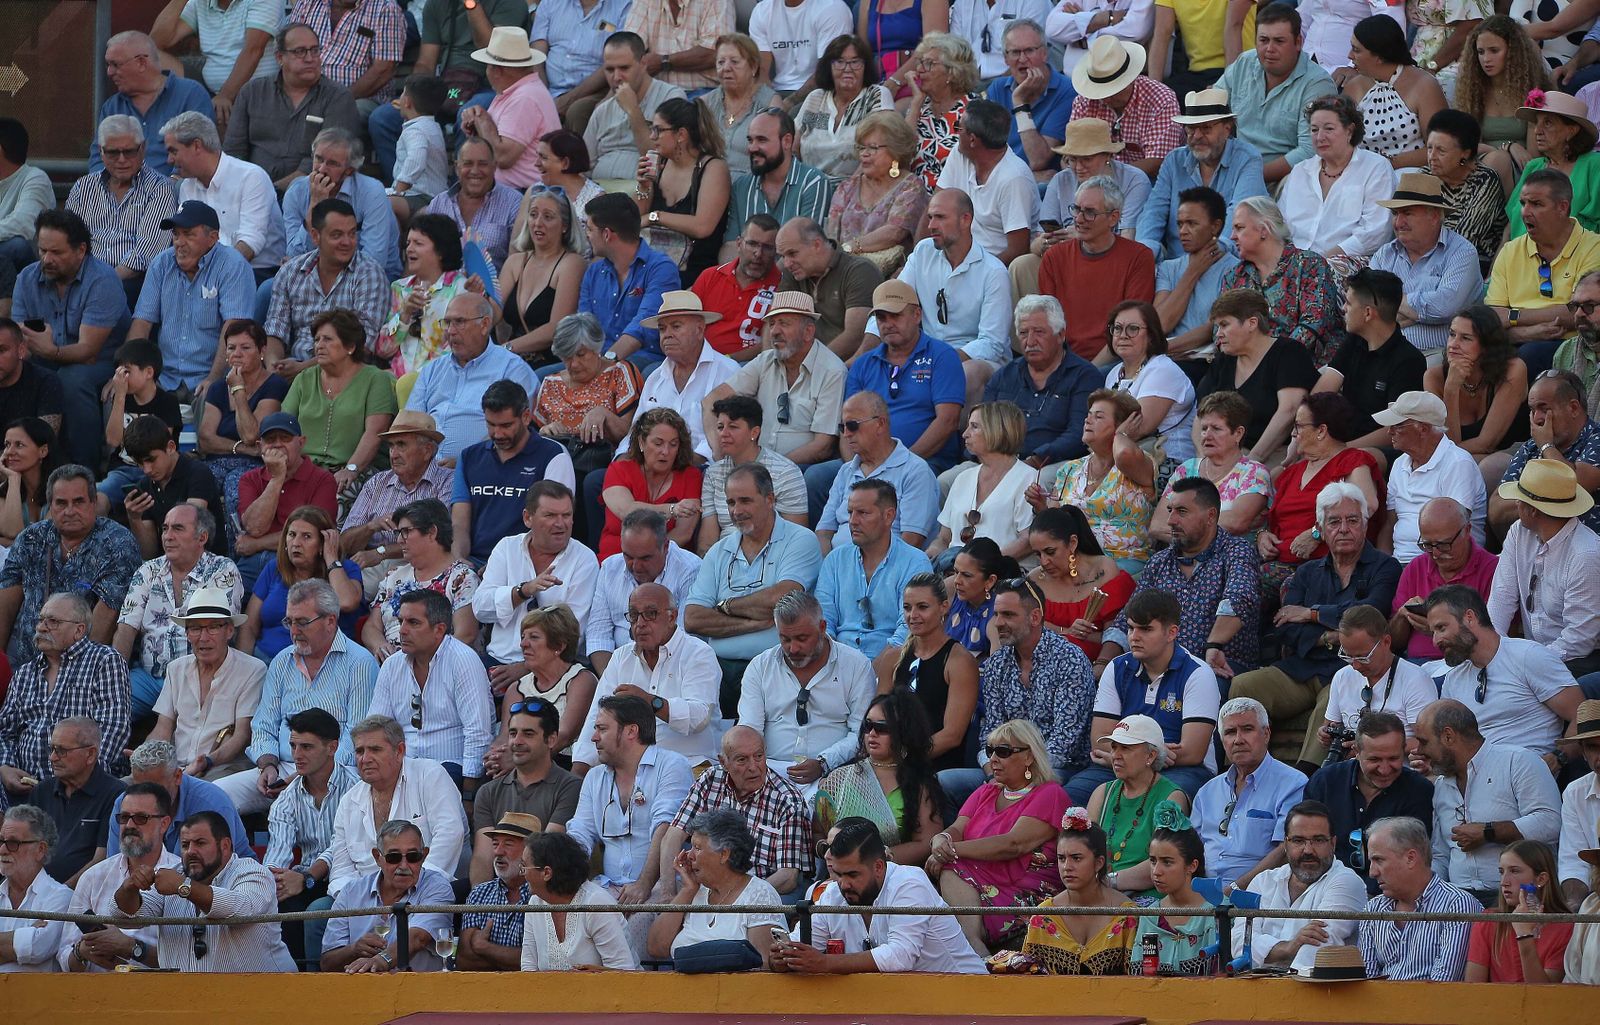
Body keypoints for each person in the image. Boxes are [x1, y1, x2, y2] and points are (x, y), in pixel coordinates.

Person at [926, 719, 1071, 954]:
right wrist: (941, 838)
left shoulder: (1050, 793)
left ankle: (973, 947)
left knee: (951, 865)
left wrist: (948, 851)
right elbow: (957, 828)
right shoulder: (986, 791)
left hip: (1025, 888)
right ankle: (972, 944)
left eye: (1003, 752)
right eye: (990, 750)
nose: (993, 759)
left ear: (1029, 757)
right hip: (981, 879)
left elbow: (1013, 844)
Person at [774, 815, 986, 974]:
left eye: (852, 874)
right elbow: (802, 944)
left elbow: (900, 956)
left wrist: (824, 963)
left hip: (964, 1000)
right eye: (838, 874)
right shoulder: (833, 893)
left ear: (878, 867)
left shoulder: (910, 883)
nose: (843, 883)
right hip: (900, 1005)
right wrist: (784, 957)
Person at [1099, 476, 1262, 678]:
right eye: (1170, 511)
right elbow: (1129, 616)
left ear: (1211, 516)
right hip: (1159, 668)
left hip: (1219, 666)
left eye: (1182, 512)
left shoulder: (1237, 552)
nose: (1171, 521)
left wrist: (1213, 645)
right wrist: (1103, 664)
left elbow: (1238, 600)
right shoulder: (1160, 562)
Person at [9, 209, 132, 470]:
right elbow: (20, 341)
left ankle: (83, 467)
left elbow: (88, 351)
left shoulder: (102, 280)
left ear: (81, 250)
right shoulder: (26, 279)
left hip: (102, 362)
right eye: (42, 250)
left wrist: (50, 351)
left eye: (57, 252)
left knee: (71, 379)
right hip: (47, 357)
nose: (47, 259)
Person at [1413, 700, 1561, 905]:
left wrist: (1489, 832)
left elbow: (1550, 822)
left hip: (1518, 900)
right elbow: (1441, 853)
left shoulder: (1518, 761)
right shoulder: (1441, 784)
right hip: (1457, 901)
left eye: (1424, 741)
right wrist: (1423, 895)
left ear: (1448, 736)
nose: (1418, 751)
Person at [683, 462, 823, 679]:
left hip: (778, 668)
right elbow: (693, 618)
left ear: (770, 500)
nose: (736, 511)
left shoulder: (800, 539)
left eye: (745, 501)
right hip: (718, 670)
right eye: (731, 502)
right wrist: (751, 623)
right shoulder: (719, 551)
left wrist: (725, 607)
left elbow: (784, 598)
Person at [1080, 590, 1221, 802]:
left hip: (1182, 770)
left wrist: (1124, 756)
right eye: (1130, 628)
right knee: (1069, 797)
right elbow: (1100, 739)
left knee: (1164, 804)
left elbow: (1192, 752)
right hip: (1125, 764)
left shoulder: (1198, 673)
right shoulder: (1116, 668)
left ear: (1171, 633)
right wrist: (1149, 756)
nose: (1134, 637)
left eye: (1145, 629)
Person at [874, 190, 1012, 407]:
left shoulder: (993, 272)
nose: (931, 226)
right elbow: (894, 302)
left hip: (976, 360)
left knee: (967, 373)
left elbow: (992, 344)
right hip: (924, 355)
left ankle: (960, 441)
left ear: (965, 220)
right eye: (930, 217)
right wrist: (865, 353)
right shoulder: (923, 252)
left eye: (940, 217)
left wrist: (936, 360)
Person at [114, 809, 295, 972]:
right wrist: (129, 888)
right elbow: (124, 918)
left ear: (225, 846)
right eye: (185, 845)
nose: (190, 852)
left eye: (200, 843)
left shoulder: (253, 872)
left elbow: (241, 910)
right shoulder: (173, 875)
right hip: (186, 998)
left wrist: (184, 888)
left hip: (265, 995)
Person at [570, 582, 720, 772]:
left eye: (650, 614)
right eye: (634, 615)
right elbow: (597, 717)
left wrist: (648, 702)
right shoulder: (621, 657)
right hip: (631, 767)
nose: (640, 623)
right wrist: (579, 771)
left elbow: (698, 718)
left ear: (672, 616)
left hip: (690, 764)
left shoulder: (698, 653)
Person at [1425, 583, 1584, 759]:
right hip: (1476, 775)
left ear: (1469, 618)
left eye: (1441, 628)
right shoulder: (1453, 679)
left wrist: (1558, 759)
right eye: (1433, 632)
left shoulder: (1529, 656)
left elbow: (1582, 716)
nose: (1435, 641)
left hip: (1527, 771)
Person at [0, 465, 140, 664]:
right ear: (50, 506)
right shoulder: (31, 538)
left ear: (94, 502)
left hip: (84, 669)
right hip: (25, 663)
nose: (70, 511)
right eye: (61, 503)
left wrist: (71, 676)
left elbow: (104, 624)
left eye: (79, 502)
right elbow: (5, 604)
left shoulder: (117, 543)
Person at [736, 591, 876, 790]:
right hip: (768, 775)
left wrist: (824, 763)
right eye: (785, 639)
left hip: (835, 776)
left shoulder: (856, 666)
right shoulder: (760, 666)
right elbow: (750, 730)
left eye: (802, 638)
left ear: (822, 627)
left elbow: (861, 733)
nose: (793, 648)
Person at [567, 695, 695, 910]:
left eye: (602, 729)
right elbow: (581, 833)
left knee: (633, 928)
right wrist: (564, 875)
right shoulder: (594, 777)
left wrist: (644, 884)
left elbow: (665, 829)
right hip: (607, 888)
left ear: (630, 731)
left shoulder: (672, 765)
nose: (593, 737)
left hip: (660, 887)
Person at [113, 499, 241, 713]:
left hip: (199, 678)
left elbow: (218, 633)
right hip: (149, 679)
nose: (168, 536)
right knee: (107, 709)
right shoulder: (148, 571)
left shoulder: (222, 570)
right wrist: (113, 681)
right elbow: (126, 629)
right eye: (165, 529)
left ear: (202, 537)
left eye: (178, 528)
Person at [317, 716, 466, 899]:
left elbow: (450, 835)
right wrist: (360, 903)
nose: (365, 759)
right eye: (359, 751)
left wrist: (410, 888)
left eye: (375, 750)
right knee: (318, 912)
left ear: (400, 751)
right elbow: (341, 869)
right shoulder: (349, 801)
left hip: (428, 891)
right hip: (366, 899)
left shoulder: (430, 775)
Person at [970, 578, 1097, 791]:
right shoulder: (996, 664)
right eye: (996, 614)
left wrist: (1016, 776)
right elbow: (990, 734)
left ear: (1035, 617)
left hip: (1060, 769)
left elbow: (1064, 742)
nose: (998, 623)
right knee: (945, 782)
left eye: (1008, 615)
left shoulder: (1069, 659)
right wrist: (994, 773)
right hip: (1003, 769)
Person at [0, 592, 129, 800]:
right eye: (41, 620)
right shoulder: (25, 673)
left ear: (79, 630)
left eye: (53, 622)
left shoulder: (104, 661)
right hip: (23, 787)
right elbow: (5, 731)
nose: (41, 627)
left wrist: (79, 776)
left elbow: (113, 728)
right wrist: (5, 766)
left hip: (80, 788)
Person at [658, 726, 811, 897]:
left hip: (760, 894)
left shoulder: (788, 802)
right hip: (706, 886)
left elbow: (787, 878)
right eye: (742, 760)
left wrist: (735, 900)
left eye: (759, 756)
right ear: (723, 762)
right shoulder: (710, 780)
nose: (753, 767)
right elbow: (673, 836)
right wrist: (668, 896)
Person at [705, 288, 846, 468]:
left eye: (784, 324)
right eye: (771, 324)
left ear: (808, 332)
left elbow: (822, 446)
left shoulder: (832, 371)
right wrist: (719, 452)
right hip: (755, 464)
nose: (774, 332)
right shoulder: (765, 360)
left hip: (799, 467)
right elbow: (712, 400)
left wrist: (772, 467)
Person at [367, 590, 494, 787]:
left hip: (451, 771)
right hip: (403, 772)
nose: (402, 630)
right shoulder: (392, 666)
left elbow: (478, 733)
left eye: (413, 623)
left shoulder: (463, 660)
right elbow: (376, 727)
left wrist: (469, 795)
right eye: (401, 622)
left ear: (439, 629)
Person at [260, 707, 357, 966]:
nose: (296, 755)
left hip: (350, 876)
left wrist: (306, 878)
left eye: (306, 747)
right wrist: (277, 880)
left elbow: (346, 845)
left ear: (332, 747)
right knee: (280, 905)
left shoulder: (356, 787)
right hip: (306, 880)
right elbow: (277, 855)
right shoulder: (286, 799)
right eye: (293, 746)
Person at [473, 482, 600, 677]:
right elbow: (481, 609)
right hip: (497, 660)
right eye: (550, 515)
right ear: (527, 518)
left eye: (566, 515)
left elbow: (574, 635)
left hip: (554, 669)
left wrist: (526, 668)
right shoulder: (507, 548)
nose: (560, 523)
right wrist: (523, 591)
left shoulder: (585, 559)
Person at [1303, 710, 1435, 896]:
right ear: (1356, 752)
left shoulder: (1419, 791)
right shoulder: (1325, 782)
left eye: (1393, 759)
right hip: (1326, 892)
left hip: (1389, 897)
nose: (1384, 769)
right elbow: (1307, 845)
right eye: (1374, 759)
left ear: (1404, 749)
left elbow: (1413, 861)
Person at [1485, 169, 1600, 379]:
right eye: (1523, 203)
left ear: (1562, 208)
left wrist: (1513, 316)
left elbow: (1580, 312)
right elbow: (1492, 318)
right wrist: (1528, 332)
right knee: (1460, 354)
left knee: (1527, 357)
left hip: (1574, 344)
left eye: (1536, 204)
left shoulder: (1594, 248)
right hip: (1518, 340)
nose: (1525, 212)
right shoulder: (1510, 251)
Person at [141, 583, 263, 780]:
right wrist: (145, 759)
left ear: (230, 631)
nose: (203, 638)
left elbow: (242, 735)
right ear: (187, 634)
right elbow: (162, 728)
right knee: (123, 792)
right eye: (195, 628)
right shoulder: (176, 669)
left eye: (213, 627)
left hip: (221, 768)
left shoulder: (252, 670)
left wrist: (207, 761)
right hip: (175, 769)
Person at [1486, 458, 1600, 669]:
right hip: (1534, 657)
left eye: (1520, 500)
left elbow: (1579, 641)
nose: (1516, 504)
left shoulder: (1586, 553)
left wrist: (1523, 664)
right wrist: (1492, 653)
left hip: (1579, 662)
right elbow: (1501, 600)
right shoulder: (1519, 531)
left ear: (1534, 511)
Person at [813, 689, 944, 867]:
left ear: (904, 732)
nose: (872, 733)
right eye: (868, 726)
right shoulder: (840, 778)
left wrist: (873, 860)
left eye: (882, 728)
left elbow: (926, 843)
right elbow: (818, 832)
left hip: (892, 876)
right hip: (838, 875)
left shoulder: (919, 783)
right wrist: (828, 850)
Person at [1236, 799, 1369, 974]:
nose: (1308, 850)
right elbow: (1238, 944)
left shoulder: (1347, 882)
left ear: (1333, 844)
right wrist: (1289, 948)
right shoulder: (1263, 881)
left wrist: (1265, 952)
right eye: (1298, 840)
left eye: (1318, 840)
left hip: (1314, 995)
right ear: (1285, 844)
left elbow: (1319, 951)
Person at [58, 781, 177, 973]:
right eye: (124, 817)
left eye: (140, 818)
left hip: (159, 996)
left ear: (164, 824)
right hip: (95, 995)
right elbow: (64, 957)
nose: (129, 825)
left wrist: (130, 947)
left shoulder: (180, 877)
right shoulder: (94, 876)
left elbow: (190, 960)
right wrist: (82, 952)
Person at [222, 22, 360, 188]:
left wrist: (273, 191)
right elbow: (234, 153)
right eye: (300, 52)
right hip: (250, 189)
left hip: (310, 191)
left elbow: (330, 162)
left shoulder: (338, 98)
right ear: (280, 57)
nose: (310, 58)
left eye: (315, 50)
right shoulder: (252, 92)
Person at [459, 378, 579, 568]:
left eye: (506, 426)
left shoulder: (553, 455)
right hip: (473, 563)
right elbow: (459, 523)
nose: (497, 434)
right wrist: (460, 564)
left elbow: (554, 524)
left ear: (525, 417)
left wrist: (501, 567)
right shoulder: (469, 457)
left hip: (524, 564)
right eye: (491, 424)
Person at [1137, 89, 1267, 262]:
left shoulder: (1247, 158)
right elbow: (1154, 211)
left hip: (1226, 263)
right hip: (1176, 264)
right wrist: (1145, 251)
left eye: (1206, 128)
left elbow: (1239, 214)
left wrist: (1208, 254)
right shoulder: (1173, 161)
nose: (1197, 136)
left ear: (1227, 128)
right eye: (1191, 128)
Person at [1037, 177, 1156, 365]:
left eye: (1090, 212)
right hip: (1063, 362)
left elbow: (1130, 329)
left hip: (1115, 360)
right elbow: (1048, 325)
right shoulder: (1054, 257)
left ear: (1114, 218)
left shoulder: (1139, 258)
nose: (1079, 219)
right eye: (1076, 209)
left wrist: (1089, 371)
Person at [1192, 697, 1307, 889]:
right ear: (1222, 740)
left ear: (1266, 734)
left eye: (1247, 729)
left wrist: (1234, 890)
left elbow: (1285, 851)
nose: (1238, 740)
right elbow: (1189, 850)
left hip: (1259, 896)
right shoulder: (1207, 792)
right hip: (1202, 897)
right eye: (1230, 732)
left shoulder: (1293, 784)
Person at [264, 203, 391, 378]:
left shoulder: (369, 274)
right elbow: (275, 329)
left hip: (347, 374)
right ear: (315, 236)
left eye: (352, 234)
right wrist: (273, 366)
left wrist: (303, 370)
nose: (347, 242)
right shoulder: (290, 272)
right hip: (293, 369)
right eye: (337, 235)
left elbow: (363, 344)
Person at [1366, 174, 1485, 362]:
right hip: (1384, 351)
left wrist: (1389, 300)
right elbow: (1367, 311)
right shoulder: (1384, 254)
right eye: (1395, 214)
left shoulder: (1461, 252)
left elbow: (1444, 307)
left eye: (1408, 213)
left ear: (1435, 216)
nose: (1398, 223)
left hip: (1440, 354)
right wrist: (1419, 313)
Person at [1036, 390, 1157, 573]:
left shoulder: (1138, 463)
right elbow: (1055, 528)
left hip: (1124, 564)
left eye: (1098, 417)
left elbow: (1123, 454)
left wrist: (1122, 435)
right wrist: (1041, 507)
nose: (1087, 420)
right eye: (1088, 415)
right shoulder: (1069, 470)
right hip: (1075, 563)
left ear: (1122, 425)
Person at [1216, 5, 1337, 186]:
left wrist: (1250, 175)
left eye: (1279, 41)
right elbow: (1211, 108)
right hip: (1235, 170)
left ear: (1298, 43)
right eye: (1263, 40)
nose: (1269, 49)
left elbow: (1309, 151)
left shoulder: (1317, 84)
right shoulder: (1244, 63)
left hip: (1288, 181)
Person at [68, 116, 180, 312]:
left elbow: (148, 251)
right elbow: (68, 240)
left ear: (142, 148)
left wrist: (102, 283)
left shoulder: (160, 188)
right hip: (83, 277)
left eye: (129, 151)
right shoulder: (83, 187)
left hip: (133, 281)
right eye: (112, 152)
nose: (121, 160)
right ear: (101, 152)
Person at [1277, 93, 1398, 274]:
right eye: (1314, 129)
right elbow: (1281, 224)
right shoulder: (1300, 171)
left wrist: (1319, 262)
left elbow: (1375, 232)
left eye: (1329, 129)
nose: (1320, 137)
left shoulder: (1375, 167)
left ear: (1349, 131)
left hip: (1348, 262)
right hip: (1294, 262)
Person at [647, 806, 785, 963]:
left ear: (724, 854)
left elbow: (766, 965)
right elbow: (656, 948)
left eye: (697, 848)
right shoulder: (695, 892)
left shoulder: (759, 895)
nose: (689, 855)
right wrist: (688, 890)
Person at [1196, 288, 1318, 463]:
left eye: (1224, 325)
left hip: (1278, 454)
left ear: (1252, 323)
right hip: (1226, 454)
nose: (1218, 334)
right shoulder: (1223, 360)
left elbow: (1290, 409)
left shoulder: (1288, 352)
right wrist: (1206, 461)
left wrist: (1250, 463)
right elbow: (1200, 417)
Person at [320, 818, 455, 974]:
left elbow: (418, 938)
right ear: (377, 857)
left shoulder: (437, 887)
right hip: (363, 991)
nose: (404, 866)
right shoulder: (351, 892)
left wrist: (381, 960)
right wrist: (353, 950)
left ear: (424, 856)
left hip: (420, 992)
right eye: (393, 858)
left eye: (412, 857)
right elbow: (327, 963)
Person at [817, 479, 934, 659]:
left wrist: (874, 669)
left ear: (888, 516)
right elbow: (824, 620)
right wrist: (832, 663)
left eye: (863, 513)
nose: (853, 521)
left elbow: (909, 629)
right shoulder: (835, 560)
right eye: (850, 513)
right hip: (838, 661)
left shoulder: (915, 562)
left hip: (892, 664)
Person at [1079, 714, 1191, 901]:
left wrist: (1108, 881)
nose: (1116, 755)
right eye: (1114, 747)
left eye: (1126, 748)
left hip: (1145, 899)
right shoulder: (1102, 793)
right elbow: (1082, 849)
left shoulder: (1172, 798)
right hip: (1099, 893)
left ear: (1151, 755)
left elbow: (1164, 864)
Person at [1313, 269, 1429, 448]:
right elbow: (1321, 395)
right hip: (1338, 441)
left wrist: (1340, 451)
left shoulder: (1409, 361)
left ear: (1368, 313)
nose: (1343, 309)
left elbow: (1396, 427)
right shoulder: (1354, 341)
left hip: (1373, 453)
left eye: (1348, 303)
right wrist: (1303, 433)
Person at [162, 111, 284, 281]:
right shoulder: (187, 187)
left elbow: (250, 242)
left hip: (256, 272)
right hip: (204, 271)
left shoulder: (251, 177)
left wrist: (215, 276)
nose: (169, 160)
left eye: (173, 151)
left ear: (197, 145)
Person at [879, 573, 981, 774]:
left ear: (944, 607)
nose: (913, 615)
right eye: (907, 608)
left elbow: (952, 734)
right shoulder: (892, 658)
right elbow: (879, 717)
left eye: (922, 607)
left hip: (936, 767)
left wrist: (903, 759)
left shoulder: (959, 661)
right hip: (891, 760)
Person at [1221, 196, 1344, 363]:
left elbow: (1314, 325)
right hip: (1246, 367)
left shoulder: (1309, 265)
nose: (1232, 236)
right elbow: (1220, 331)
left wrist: (1268, 362)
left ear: (1264, 230)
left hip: (1302, 364)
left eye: (1239, 228)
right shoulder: (1233, 277)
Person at [1357, 815, 1478, 980]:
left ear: (1410, 858)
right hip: (1381, 1004)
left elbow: (1444, 984)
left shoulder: (1457, 905)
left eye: (1379, 860)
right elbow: (1366, 981)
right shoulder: (1373, 909)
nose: (1372, 872)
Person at [816, 392, 940, 553]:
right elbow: (824, 532)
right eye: (842, 427)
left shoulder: (915, 471)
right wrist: (828, 568)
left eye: (852, 425)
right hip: (839, 568)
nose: (846, 434)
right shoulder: (846, 471)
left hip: (888, 570)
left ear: (880, 424)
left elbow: (911, 540)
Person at [1020, 809, 1137, 975]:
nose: (1067, 867)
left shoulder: (1126, 916)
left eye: (1076, 858)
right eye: (1061, 858)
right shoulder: (1044, 917)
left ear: (1098, 863)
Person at [1376, 391, 1487, 564]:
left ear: (1423, 429)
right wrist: (1383, 565)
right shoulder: (1399, 464)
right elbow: (1390, 525)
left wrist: (1416, 573)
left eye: (1397, 425)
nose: (1389, 432)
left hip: (1442, 565)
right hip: (1400, 565)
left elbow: (1453, 535)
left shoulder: (1458, 463)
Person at [238, 506, 362, 662]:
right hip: (266, 662)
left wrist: (331, 557)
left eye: (307, 537)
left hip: (324, 667)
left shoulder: (345, 569)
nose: (296, 543)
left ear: (322, 543)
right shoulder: (274, 569)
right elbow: (249, 626)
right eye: (292, 535)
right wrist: (246, 666)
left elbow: (346, 602)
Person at [279, 128, 401, 284]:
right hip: (312, 276)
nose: (322, 169)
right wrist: (316, 205)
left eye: (332, 163)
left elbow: (374, 261)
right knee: (268, 289)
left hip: (369, 279)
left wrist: (328, 273)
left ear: (349, 170)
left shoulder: (372, 192)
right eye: (319, 159)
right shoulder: (296, 191)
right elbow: (294, 256)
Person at [474, 699, 581, 877]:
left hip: (545, 893)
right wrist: (482, 901)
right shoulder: (488, 792)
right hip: (498, 895)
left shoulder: (570, 787)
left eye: (528, 734)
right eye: (513, 733)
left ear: (551, 739)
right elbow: (483, 858)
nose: (517, 741)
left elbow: (546, 855)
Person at [589, 510, 703, 675]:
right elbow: (598, 636)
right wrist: (612, 680)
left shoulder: (690, 569)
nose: (635, 566)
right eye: (628, 556)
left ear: (665, 546)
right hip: (616, 671)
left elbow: (684, 640)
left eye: (645, 558)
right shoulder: (609, 568)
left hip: (671, 672)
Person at [631, 291, 739, 464]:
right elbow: (636, 431)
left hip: (704, 470)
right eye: (662, 328)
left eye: (676, 326)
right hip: (655, 468)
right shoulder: (655, 377)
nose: (667, 334)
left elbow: (727, 434)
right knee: (601, 479)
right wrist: (623, 460)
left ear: (700, 329)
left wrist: (678, 464)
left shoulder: (727, 372)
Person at [578, 192, 684, 369]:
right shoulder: (593, 272)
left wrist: (605, 365)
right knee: (545, 377)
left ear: (606, 234)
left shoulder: (661, 268)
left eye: (589, 229)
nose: (587, 235)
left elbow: (643, 326)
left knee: (628, 375)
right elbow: (582, 326)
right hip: (596, 361)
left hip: (644, 360)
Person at [1152, 391, 1273, 544]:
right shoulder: (1186, 470)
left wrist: (1182, 522)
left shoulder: (1254, 473)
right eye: (1204, 428)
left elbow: (1236, 523)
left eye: (1216, 428)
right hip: (1183, 559)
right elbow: (1156, 526)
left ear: (1238, 433)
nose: (1207, 435)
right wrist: (1207, 528)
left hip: (1231, 562)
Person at [372, 214, 485, 378]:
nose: (409, 249)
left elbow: (462, 349)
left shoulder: (461, 289)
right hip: (396, 379)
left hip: (440, 379)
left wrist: (420, 378)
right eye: (408, 243)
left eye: (418, 243)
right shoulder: (399, 288)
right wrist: (405, 314)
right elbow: (383, 350)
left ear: (441, 251)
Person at [1490, 370, 1600, 538]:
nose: (1537, 418)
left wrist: (1546, 446)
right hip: (1535, 550)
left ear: (1574, 408)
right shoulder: (1531, 447)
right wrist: (1548, 504)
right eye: (1533, 410)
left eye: (1544, 408)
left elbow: (1574, 484)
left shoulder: (1596, 439)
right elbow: (1497, 508)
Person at [636, 99, 732, 289]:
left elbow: (703, 226)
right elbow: (639, 218)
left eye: (658, 130)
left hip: (694, 273)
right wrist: (644, 186)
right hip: (654, 265)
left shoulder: (713, 168)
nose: (652, 136)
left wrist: (656, 217)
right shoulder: (658, 164)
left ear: (681, 134)